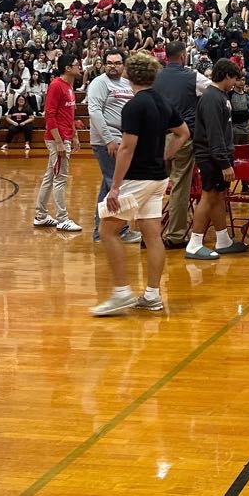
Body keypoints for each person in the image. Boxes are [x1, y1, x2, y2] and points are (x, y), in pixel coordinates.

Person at [91, 51, 190, 316]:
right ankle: (152, 296)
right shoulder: (161, 101)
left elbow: (126, 148)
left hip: (138, 179)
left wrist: (115, 187)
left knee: (107, 231)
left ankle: (121, 292)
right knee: (152, 235)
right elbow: (184, 133)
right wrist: (165, 155)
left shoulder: (134, 106)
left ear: (128, 73)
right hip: (159, 178)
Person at [187, 59, 249, 260]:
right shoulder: (212, 98)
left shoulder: (220, 96)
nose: (235, 83)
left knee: (219, 196)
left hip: (219, 154)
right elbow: (214, 133)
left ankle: (223, 240)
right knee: (208, 196)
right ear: (227, 76)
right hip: (211, 156)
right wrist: (224, 163)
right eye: (234, 79)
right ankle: (194, 243)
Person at [155, 40, 210, 249]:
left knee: (153, 186)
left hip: (157, 137)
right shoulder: (193, 77)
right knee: (179, 185)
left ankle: (147, 233)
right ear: (183, 56)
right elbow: (213, 91)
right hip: (181, 137)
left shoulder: (155, 77)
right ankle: (175, 235)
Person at [87, 49, 140, 243]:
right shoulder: (99, 83)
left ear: (123, 65)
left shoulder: (126, 84)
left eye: (117, 63)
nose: (113, 66)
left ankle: (99, 232)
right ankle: (121, 230)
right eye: (109, 62)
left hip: (124, 140)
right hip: (107, 142)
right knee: (118, 185)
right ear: (103, 64)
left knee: (107, 187)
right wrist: (108, 139)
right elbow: (94, 112)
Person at [33, 53, 82, 233]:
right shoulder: (56, 86)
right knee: (60, 179)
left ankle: (41, 215)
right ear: (67, 68)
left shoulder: (69, 86)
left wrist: (74, 135)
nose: (79, 66)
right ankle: (62, 219)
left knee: (50, 176)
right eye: (76, 64)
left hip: (65, 137)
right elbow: (50, 116)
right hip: (57, 140)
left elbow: (69, 115)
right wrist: (60, 142)